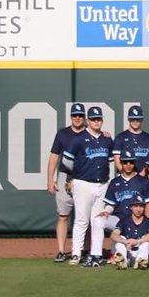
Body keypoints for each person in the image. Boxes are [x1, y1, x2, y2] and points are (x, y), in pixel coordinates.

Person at [62, 105, 114, 267]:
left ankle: (95, 253)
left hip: (102, 183)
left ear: (102, 120)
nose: (96, 121)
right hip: (83, 183)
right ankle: (77, 253)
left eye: (98, 119)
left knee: (97, 221)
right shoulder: (78, 139)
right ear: (87, 121)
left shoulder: (106, 139)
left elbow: (111, 161)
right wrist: (76, 175)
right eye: (93, 119)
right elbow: (66, 161)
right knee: (82, 220)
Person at [93, 150, 149, 263]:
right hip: (118, 220)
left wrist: (147, 222)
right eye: (125, 162)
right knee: (98, 220)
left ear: (134, 163)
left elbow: (148, 204)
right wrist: (106, 211)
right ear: (121, 163)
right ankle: (96, 256)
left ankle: (127, 255)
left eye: (131, 162)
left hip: (137, 220)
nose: (128, 165)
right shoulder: (115, 182)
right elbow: (111, 204)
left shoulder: (143, 181)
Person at [46, 102, 87, 262]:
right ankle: (62, 251)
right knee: (63, 216)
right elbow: (54, 156)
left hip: (85, 177)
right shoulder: (63, 134)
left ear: (84, 118)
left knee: (85, 218)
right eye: (74, 115)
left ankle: (84, 251)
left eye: (80, 115)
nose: (77, 118)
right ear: (71, 117)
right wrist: (50, 179)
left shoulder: (90, 133)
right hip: (65, 176)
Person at [112, 199, 149, 270]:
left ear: (144, 207)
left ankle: (141, 261)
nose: (138, 209)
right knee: (120, 239)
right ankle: (122, 262)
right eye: (136, 206)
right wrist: (125, 241)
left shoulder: (148, 221)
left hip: (142, 252)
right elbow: (114, 235)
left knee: (146, 241)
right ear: (131, 207)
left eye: (141, 206)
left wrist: (137, 241)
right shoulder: (124, 220)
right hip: (128, 251)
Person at [112, 105, 149, 173]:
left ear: (142, 119)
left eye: (138, 119)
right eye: (132, 119)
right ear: (128, 119)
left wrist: (143, 173)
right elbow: (117, 161)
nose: (135, 121)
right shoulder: (120, 137)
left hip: (144, 177)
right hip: (126, 178)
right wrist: (127, 176)